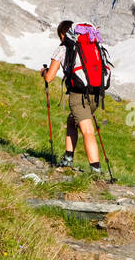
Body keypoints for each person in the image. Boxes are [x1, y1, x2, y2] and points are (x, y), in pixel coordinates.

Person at [41, 20, 103, 174]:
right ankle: (68, 157)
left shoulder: (64, 48)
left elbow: (49, 77)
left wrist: (43, 72)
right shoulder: (92, 44)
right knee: (71, 120)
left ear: (63, 34)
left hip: (78, 94)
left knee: (87, 130)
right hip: (97, 93)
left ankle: (96, 170)